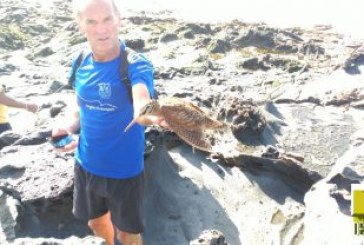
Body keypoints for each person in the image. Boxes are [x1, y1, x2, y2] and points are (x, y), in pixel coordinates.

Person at [52, 0, 166, 244]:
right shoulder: (80, 59)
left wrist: (152, 115)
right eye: (91, 22)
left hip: (125, 172)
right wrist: (69, 126)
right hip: (85, 165)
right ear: (80, 25)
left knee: (128, 232)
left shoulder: (135, 63)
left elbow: (142, 101)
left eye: (107, 19)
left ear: (119, 19)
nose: (101, 29)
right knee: (96, 222)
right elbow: (79, 102)